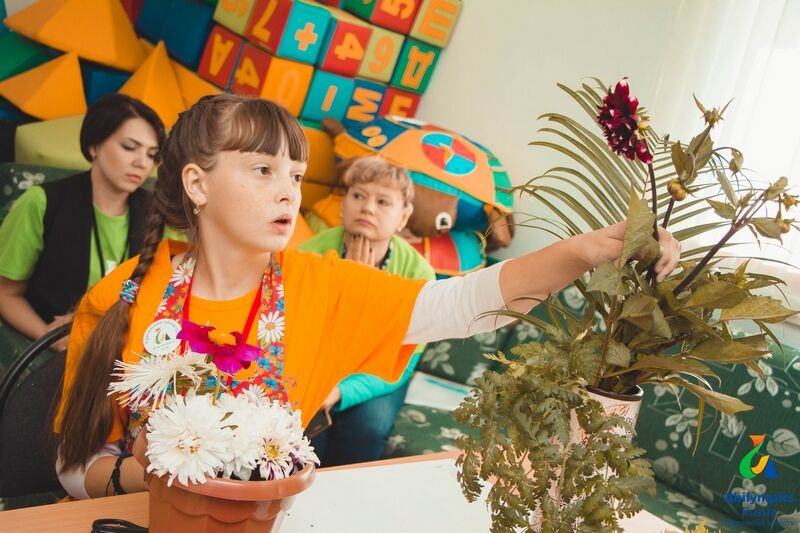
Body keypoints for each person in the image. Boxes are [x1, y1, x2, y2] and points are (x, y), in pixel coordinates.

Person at [53, 94, 680, 499]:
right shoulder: (120, 298)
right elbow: (71, 469)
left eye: (295, 176)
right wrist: (161, 477)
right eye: (262, 170)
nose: (288, 193)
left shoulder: (321, 286)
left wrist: (584, 251)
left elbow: (463, 304)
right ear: (197, 183)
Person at [0, 94, 165, 352]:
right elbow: (5, 293)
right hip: (54, 354)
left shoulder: (158, 215)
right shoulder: (41, 203)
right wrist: (46, 336)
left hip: (120, 353)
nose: (141, 163)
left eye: (151, 154)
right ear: (94, 146)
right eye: (129, 147)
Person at [299, 156, 436, 466]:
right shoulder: (308, 256)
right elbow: (297, 335)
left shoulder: (418, 274)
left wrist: (339, 391)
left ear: (403, 216)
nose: (368, 208)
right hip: (314, 364)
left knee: (367, 428)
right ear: (342, 205)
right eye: (358, 195)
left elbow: (403, 359)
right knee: (303, 426)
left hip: (379, 372)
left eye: (383, 201)